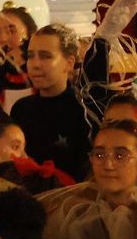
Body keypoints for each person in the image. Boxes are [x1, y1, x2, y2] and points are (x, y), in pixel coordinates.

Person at [12, 25, 94, 179]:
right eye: (30, 56)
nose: (35, 64)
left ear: (69, 63)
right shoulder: (21, 108)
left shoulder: (84, 111)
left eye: (45, 56)